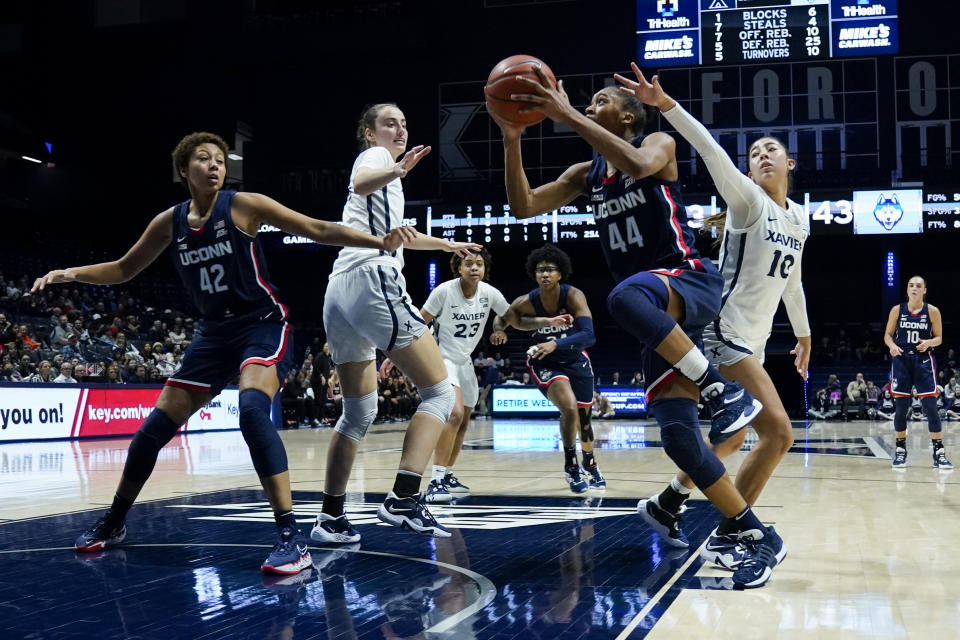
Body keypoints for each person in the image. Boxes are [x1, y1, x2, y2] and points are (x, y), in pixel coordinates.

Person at [32, 131, 414, 575]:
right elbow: (123, 269)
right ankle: (114, 520)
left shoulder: (243, 205)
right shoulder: (168, 223)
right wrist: (69, 273)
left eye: (220, 159)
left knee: (252, 410)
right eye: (203, 159)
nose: (215, 165)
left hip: (262, 325)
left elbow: (317, 228)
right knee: (152, 430)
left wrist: (379, 241)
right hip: (213, 336)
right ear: (183, 171)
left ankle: (290, 536)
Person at [618, 66, 807, 577]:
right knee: (779, 433)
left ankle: (667, 504)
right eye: (754, 153)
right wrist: (668, 106)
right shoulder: (746, 201)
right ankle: (732, 533)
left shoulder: (799, 218)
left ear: (790, 162)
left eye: (770, 150)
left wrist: (805, 333)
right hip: (722, 335)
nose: (761, 157)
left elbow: (792, 281)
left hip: (756, 339)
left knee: (731, 440)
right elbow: (709, 151)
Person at [309, 103, 479, 546]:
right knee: (441, 393)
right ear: (369, 133)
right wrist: (398, 169)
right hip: (371, 278)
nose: (400, 129)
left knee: (359, 412)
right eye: (390, 123)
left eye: (405, 123)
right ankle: (404, 497)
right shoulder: (377, 160)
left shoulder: (388, 177)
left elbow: (402, 234)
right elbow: (361, 181)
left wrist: (446, 244)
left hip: (339, 290)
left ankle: (329, 518)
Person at [386, 247, 519, 503]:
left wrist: (502, 329)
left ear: (485, 269)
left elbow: (508, 316)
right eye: (468, 263)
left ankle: (446, 474)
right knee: (454, 413)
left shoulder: (489, 293)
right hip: (441, 358)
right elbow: (419, 322)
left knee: (464, 420)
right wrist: (396, 354)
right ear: (458, 267)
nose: (474, 268)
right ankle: (435, 482)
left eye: (479, 264)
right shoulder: (444, 291)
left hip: (464, 361)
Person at [493, 244, 604, 494]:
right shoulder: (526, 302)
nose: (545, 274)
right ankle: (571, 466)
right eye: (540, 270)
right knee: (568, 407)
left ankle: (590, 461)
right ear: (534, 274)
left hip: (576, 360)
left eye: (550, 270)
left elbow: (589, 335)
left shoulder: (573, 296)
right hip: (545, 362)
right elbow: (502, 316)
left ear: (560, 274)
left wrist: (556, 342)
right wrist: (499, 330)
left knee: (585, 422)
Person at [884, 275, 950, 469]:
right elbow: (887, 335)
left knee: (930, 407)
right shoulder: (897, 310)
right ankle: (900, 450)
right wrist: (892, 346)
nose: (914, 288)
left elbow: (938, 338)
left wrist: (928, 342)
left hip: (922, 361)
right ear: (907, 289)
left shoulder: (932, 311)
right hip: (902, 360)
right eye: (911, 285)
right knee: (902, 408)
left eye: (918, 286)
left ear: (924, 290)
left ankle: (939, 453)